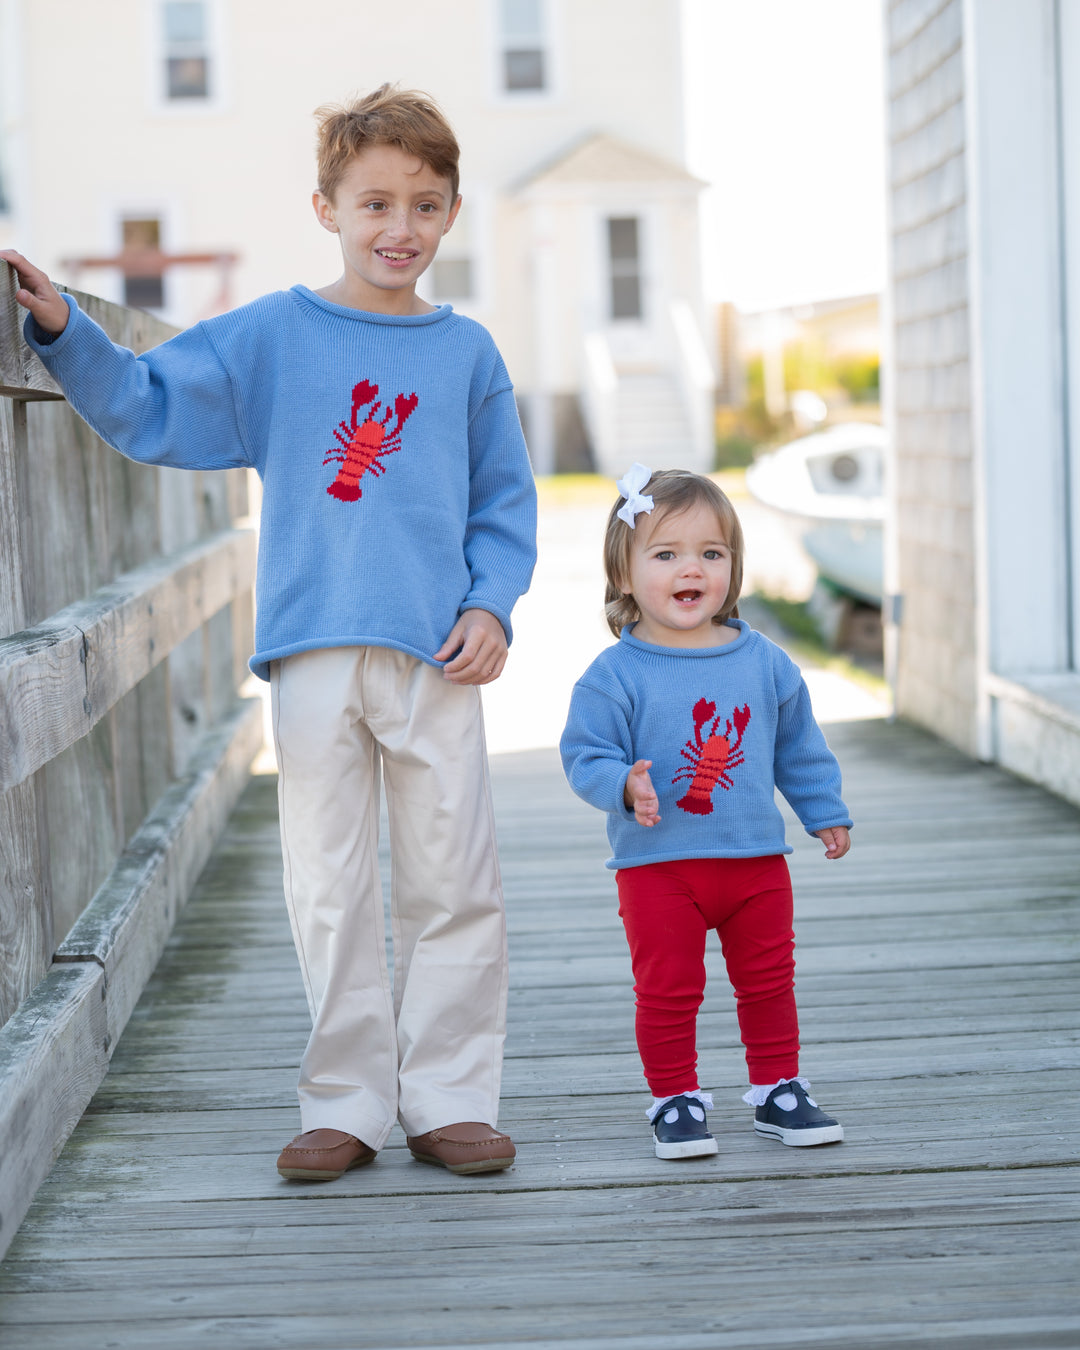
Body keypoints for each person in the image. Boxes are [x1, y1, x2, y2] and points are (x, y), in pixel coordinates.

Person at [2, 84, 536, 1180]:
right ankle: (344, 1100)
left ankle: (446, 1098)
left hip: (440, 651)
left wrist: (491, 604)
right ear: (326, 207)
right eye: (376, 202)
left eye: (426, 205)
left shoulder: (468, 354)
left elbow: (504, 502)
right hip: (311, 647)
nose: (401, 227)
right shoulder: (273, 337)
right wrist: (63, 331)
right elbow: (152, 400)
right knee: (328, 882)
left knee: (454, 878)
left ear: (451, 213)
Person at [559, 465, 851, 1160]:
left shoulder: (767, 663)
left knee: (770, 981)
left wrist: (823, 809)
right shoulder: (614, 675)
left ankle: (780, 1089)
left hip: (755, 860)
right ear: (624, 575)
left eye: (711, 554)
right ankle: (675, 1099)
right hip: (659, 865)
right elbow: (584, 753)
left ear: (732, 567)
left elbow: (798, 748)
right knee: (668, 989)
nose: (692, 568)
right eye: (666, 554)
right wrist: (624, 786)